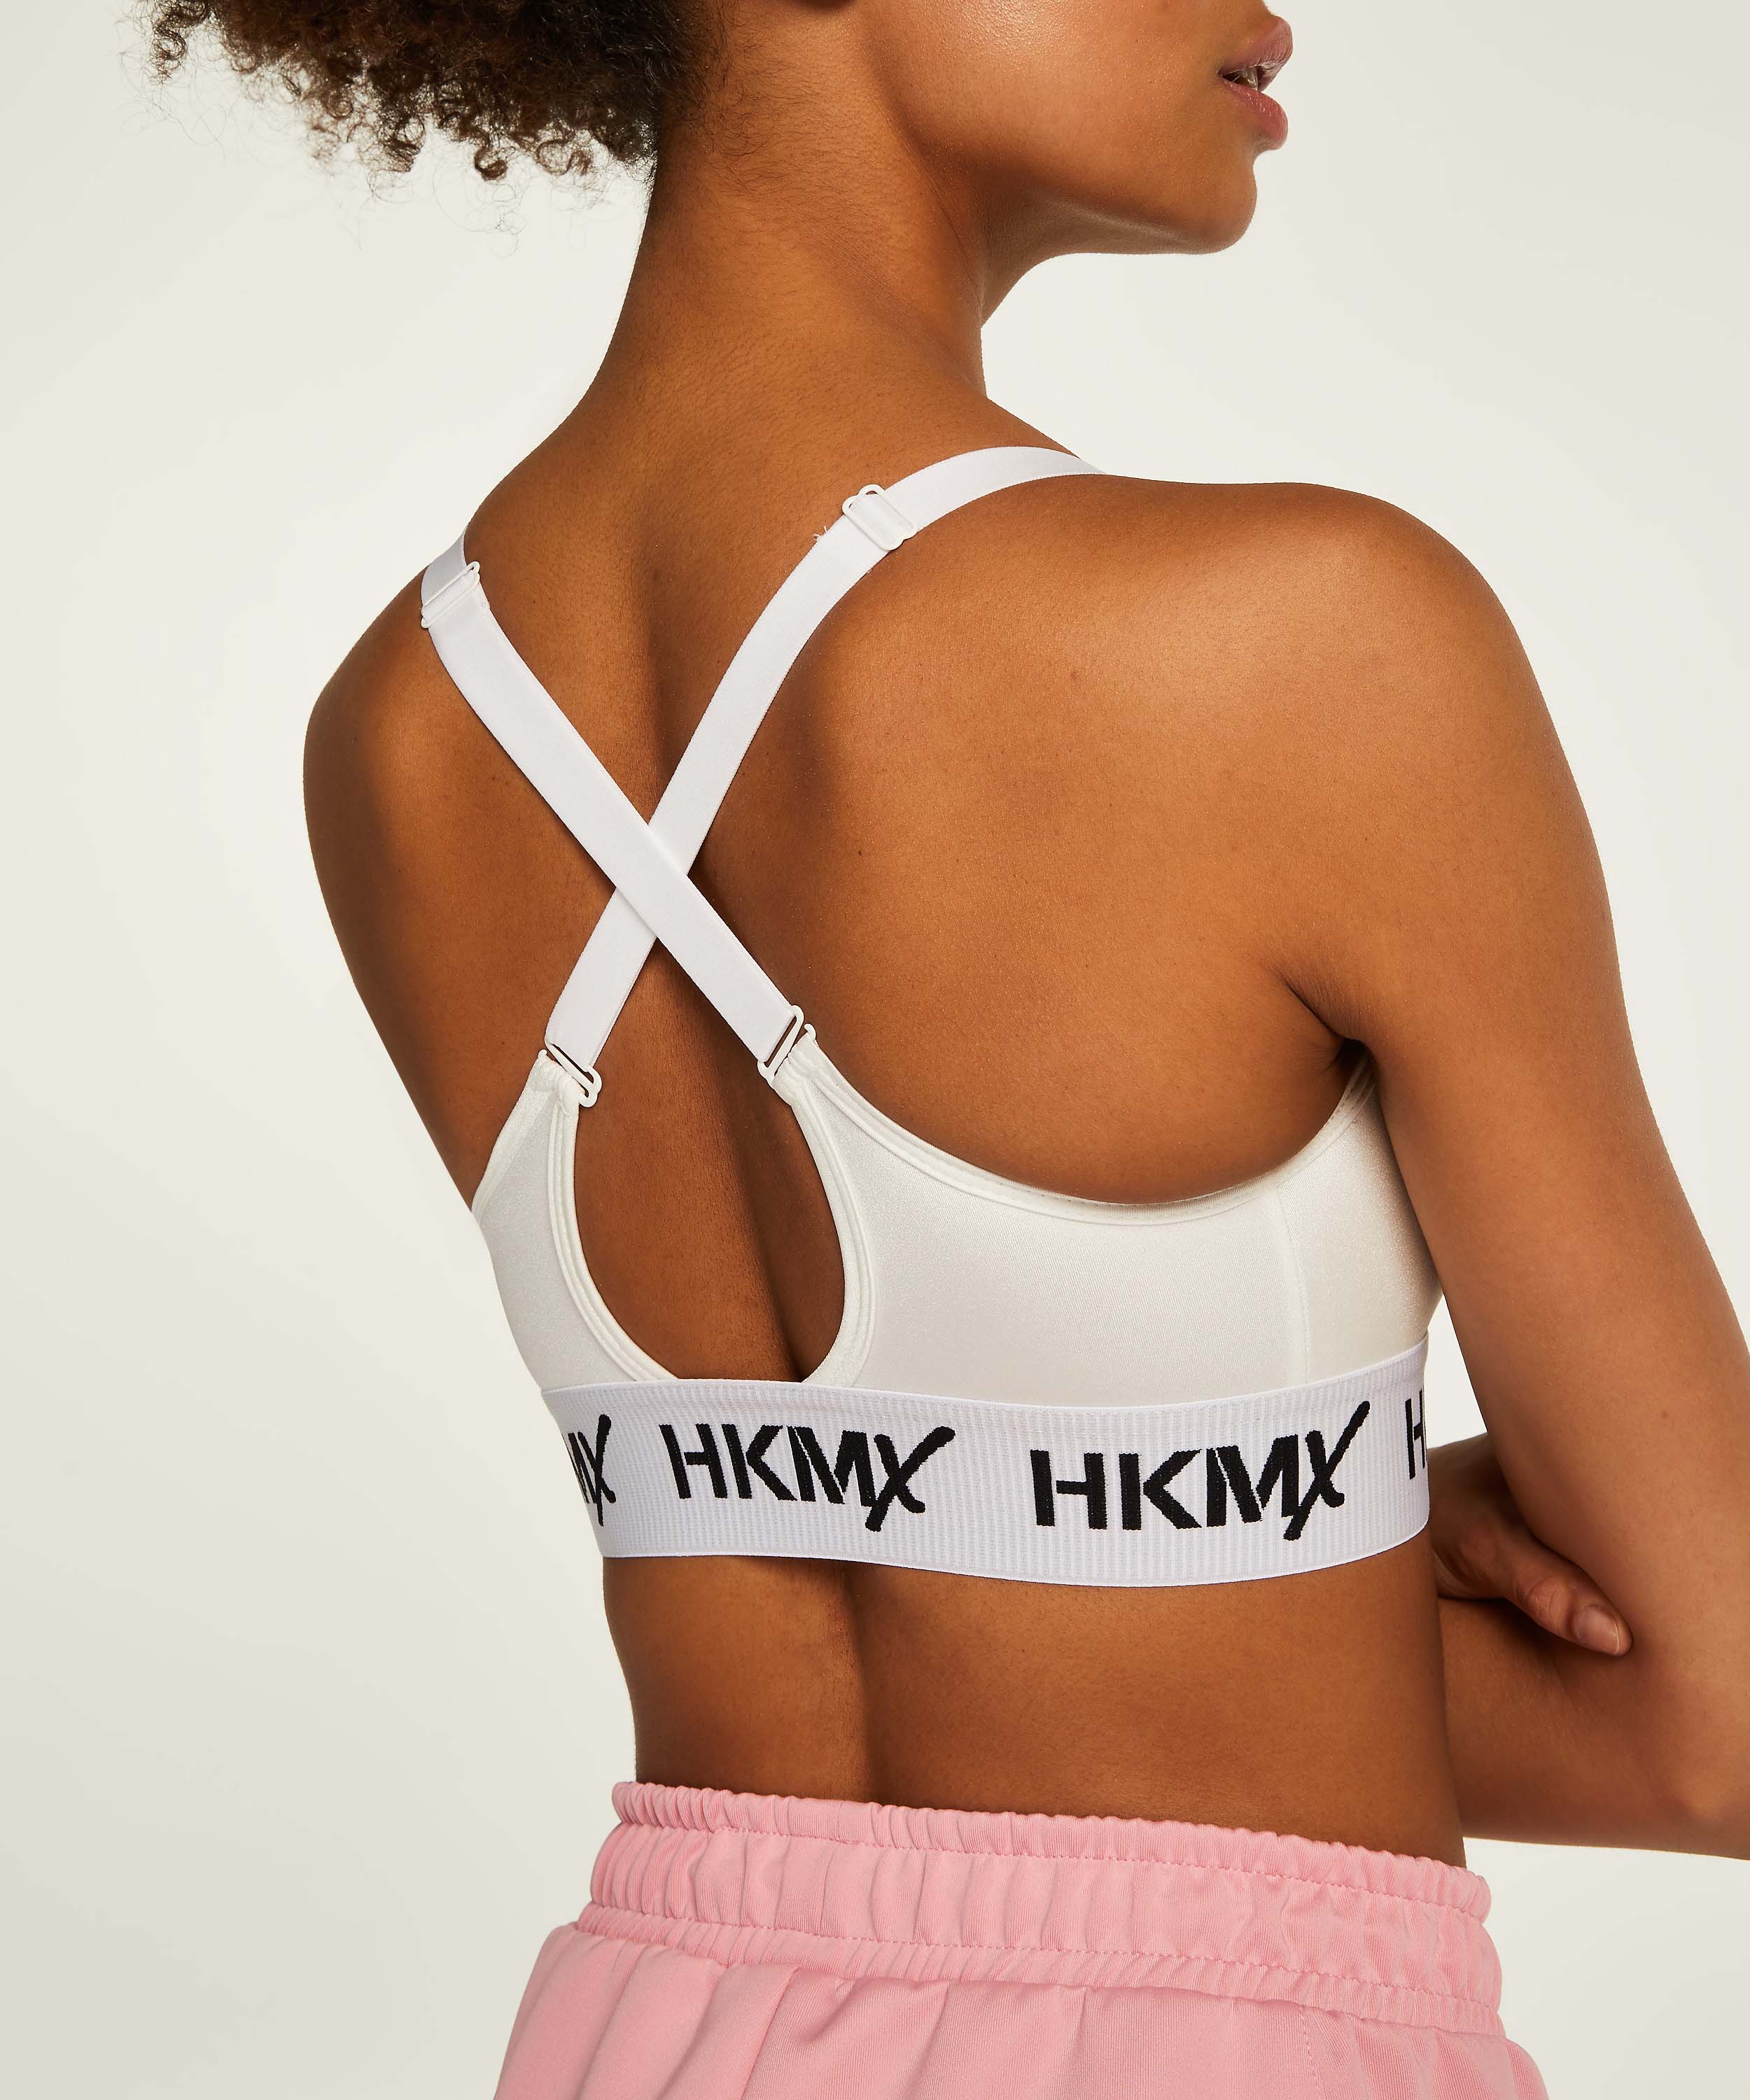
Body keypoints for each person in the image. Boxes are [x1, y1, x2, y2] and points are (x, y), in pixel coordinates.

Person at [149, 2, 1750, 2094]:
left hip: (653, 2028)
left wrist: (1297, 1567)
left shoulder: (400, 732)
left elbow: (852, 1632)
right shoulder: (1309, 640)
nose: (1269, 10)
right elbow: (1717, 1729)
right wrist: (1328, 1603)